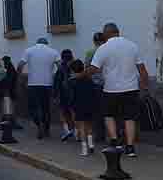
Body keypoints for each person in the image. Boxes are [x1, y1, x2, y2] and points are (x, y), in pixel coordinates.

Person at [80, 23, 149, 157]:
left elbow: (94, 69)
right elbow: (142, 70)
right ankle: (130, 147)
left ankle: (114, 141)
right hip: (131, 88)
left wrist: (80, 75)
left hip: (110, 89)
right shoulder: (132, 46)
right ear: (118, 32)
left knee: (109, 115)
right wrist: (143, 87)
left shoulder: (103, 48)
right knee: (130, 118)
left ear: (106, 33)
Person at [18, 37, 59, 139]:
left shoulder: (29, 51)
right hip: (48, 84)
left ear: (37, 43)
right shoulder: (53, 52)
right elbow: (60, 66)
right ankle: (46, 129)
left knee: (33, 107)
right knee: (46, 107)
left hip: (33, 84)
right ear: (46, 43)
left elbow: (20, 65)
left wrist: (19, 76)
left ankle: (38, 124)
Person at [69, 59, 100, 156]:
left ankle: (84, 149)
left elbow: (71, 96)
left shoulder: (72, 82)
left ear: (73, 71)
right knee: (89, 126)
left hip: (78, 106)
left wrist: (72, 107)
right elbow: (94, 93)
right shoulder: (89, 80)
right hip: (90, 105)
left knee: (81, 127)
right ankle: (91, 145)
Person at [52, 49, 76, 141]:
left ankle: (67, 130)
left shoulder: (60, 68)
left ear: (62, 58)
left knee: (63, 112)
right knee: (73, 112)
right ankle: (77, 131)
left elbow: (56, 83)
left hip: (63, 94)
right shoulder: (76, 65)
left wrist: (54, 95)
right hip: (74, 94)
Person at [0, 56, 22, 130]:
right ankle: (8, 122)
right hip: (8, 91)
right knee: (8, 108)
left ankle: (9, 123)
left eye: (5, 62)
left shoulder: (9, 69)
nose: (4, 63)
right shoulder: (7, 68)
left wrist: (5, 91)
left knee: (8, 108)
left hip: (8, 92)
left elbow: (9, 81)